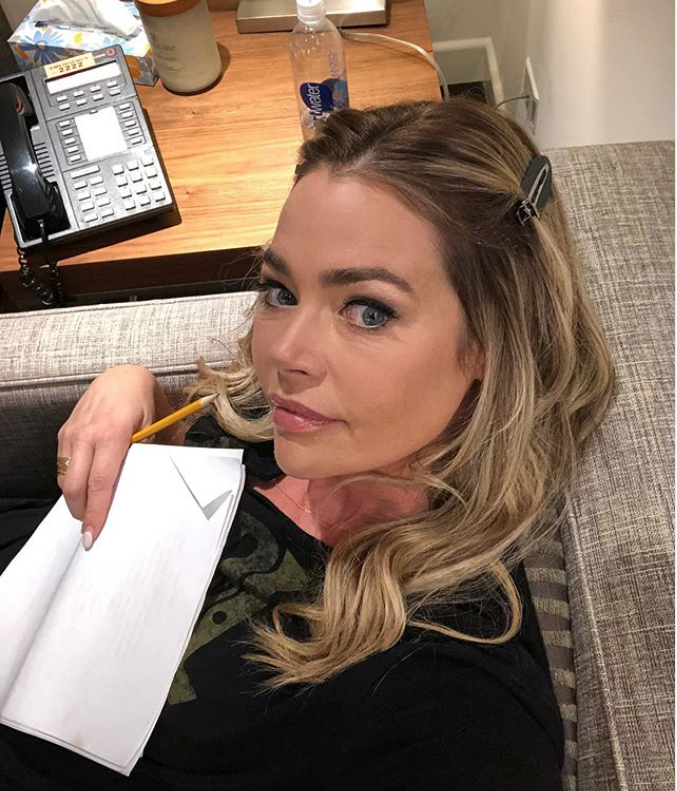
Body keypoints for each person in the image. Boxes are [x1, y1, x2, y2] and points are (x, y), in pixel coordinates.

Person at [0, 97, 615, 791]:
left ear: (490, 342)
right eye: (280, 291)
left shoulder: (449, 695)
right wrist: (133, 389)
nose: (285, 354)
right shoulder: (281, 419)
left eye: (368, 310)